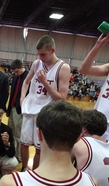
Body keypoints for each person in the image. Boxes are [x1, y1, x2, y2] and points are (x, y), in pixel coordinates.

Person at [19, 35, 70, 171]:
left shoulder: (63, 68)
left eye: (43, 54)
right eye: (38, 54)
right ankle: (24, 168)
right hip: (30, 109)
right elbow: (26, 81)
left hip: (46, 113)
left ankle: (35, 173)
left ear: (52, 50)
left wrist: (45, 83)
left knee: (39, 148)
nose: (40, 57)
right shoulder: (37, 64)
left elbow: (62, 98)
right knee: (23, 144)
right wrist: (22, 98)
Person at [7, 59, 29, 162]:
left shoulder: (29, 77)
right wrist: (8, 109)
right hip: (12, 108)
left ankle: (19, 156)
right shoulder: (16, 77)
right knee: (10, 132)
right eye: (14, 72)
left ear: (22, 67)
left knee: (18, 135)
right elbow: (12, 94)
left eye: (17, 71)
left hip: (20, 110)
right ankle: (11, 152)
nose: (15, 74)